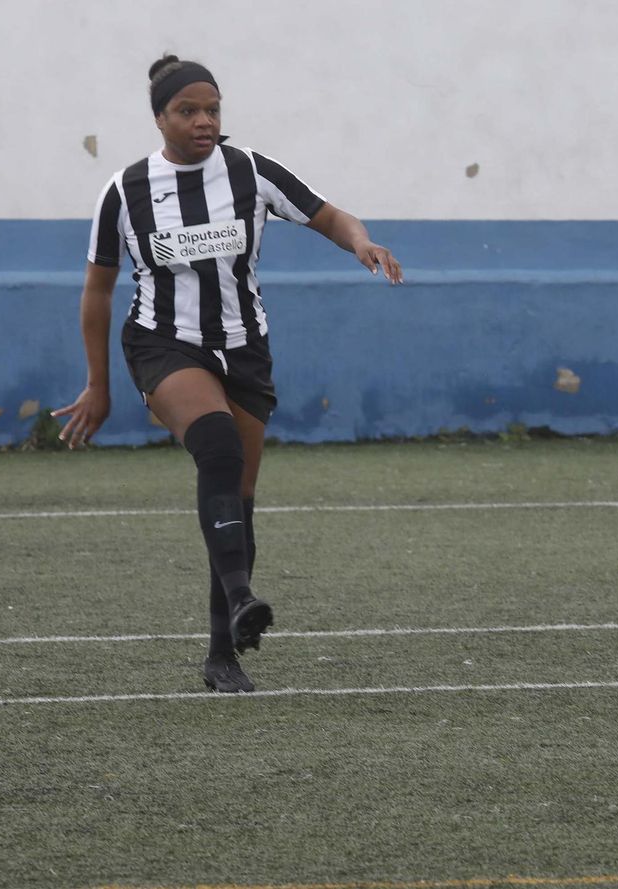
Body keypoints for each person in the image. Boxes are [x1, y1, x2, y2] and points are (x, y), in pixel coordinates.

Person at [53, 55, 403, 694]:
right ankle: (244, 594)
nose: (204, 121)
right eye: (188, 111)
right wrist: (98, 384)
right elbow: (98, 291)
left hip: (244, 349)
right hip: (163, 344)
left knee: (237, 496)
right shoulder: (126, 190)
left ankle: (223, 655)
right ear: (159, 117)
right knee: (214, 446)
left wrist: (361, 242)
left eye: (212, 109)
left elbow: (327, 214)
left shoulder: (249, 170)